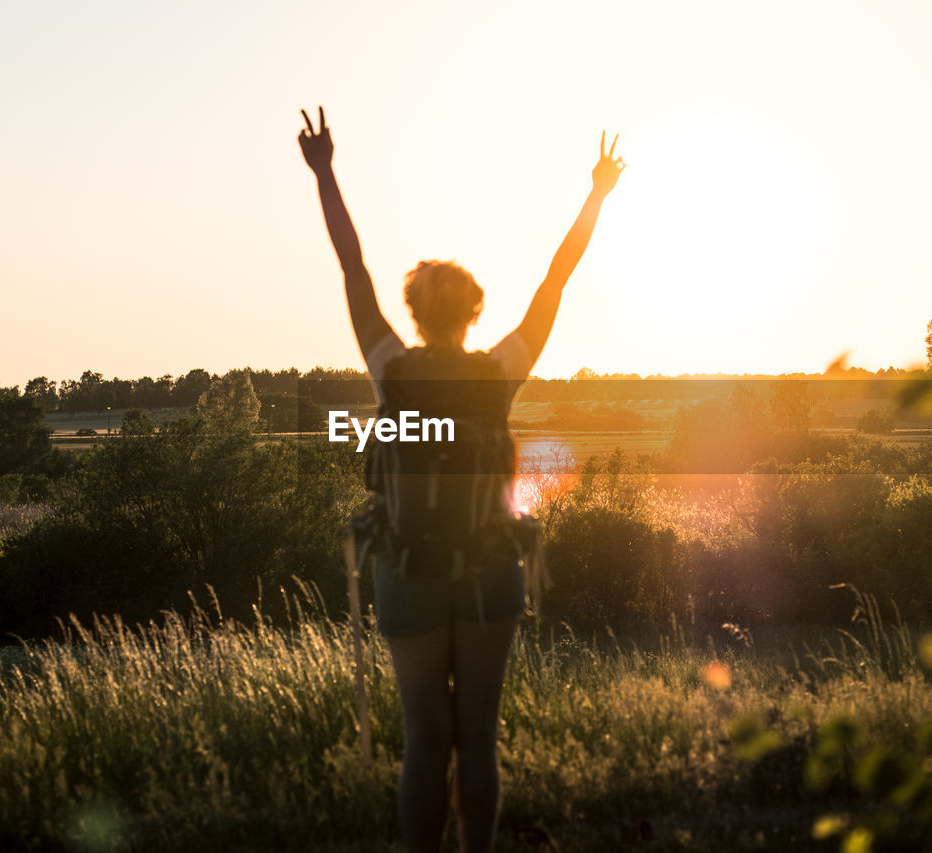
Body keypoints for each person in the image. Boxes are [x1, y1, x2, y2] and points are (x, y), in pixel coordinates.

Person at [298, 106, 623, 853]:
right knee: (478, 735)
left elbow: (353, 269)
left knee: (423, 734)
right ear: (477, 311)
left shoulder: (393, 371)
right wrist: (597, 194)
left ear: (411, 312)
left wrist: (325, 173)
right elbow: (555, 280)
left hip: (407, 576)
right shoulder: (498, 373)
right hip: (488, 573)